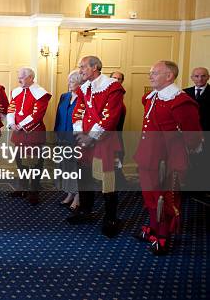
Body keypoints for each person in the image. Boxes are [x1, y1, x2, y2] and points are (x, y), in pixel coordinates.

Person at [133, 61, 203, 255]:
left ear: (169, 76)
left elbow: (193, 134)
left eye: (155, 73)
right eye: (150, 72)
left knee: (165, 199)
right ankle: (154, 229)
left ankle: (163, 236)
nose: (150, 76)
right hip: (147, 155)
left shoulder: (180, 101)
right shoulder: (152, 97)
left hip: (167, 160)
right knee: (150, 197)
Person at [67, 56, 125, 238]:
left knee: (108, 180)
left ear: (95, 67)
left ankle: (111, 217)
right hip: (84, 141)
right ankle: (86, 211)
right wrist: (79, 134)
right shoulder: (85, 88)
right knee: (84, 177)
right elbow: (78, 111)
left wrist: (90, 137)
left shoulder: (112, 86)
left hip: (104, 141)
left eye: (83, 67)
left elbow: (110, 117)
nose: (80, 70)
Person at [6, 68, 51, 205]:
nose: (19, 80)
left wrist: (20, 126)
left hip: (34, 133)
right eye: (18, 77)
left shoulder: (41, 93)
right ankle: (23, 187)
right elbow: (11, 109)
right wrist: (11, 123)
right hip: (18, 133)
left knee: (35, 164)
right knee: (20, 161)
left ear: (31, 78)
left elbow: (37, 115)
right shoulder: (16, 91)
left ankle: (34, 191)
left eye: (22, 77)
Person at [54, 70, 85, 210]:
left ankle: (78, 196)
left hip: (75, 139)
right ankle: (70, 193)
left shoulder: (84, 98)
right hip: (62, 137)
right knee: (65, 168)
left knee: (75, 169)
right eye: (69, 81)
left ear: (81, 83)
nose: (69, 84)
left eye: (72, 81)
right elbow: (58, 117)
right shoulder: (64, 96)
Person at [183, 67, 209, 199]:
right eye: (197, 76)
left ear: (208, 77)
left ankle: (202, 189)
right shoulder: (185, 93)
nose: (200, 79)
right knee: (189, 160)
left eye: (203, 76)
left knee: (205, 161)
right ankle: (189, 187)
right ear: (192, 78)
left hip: (207, 133)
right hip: (189, 133)